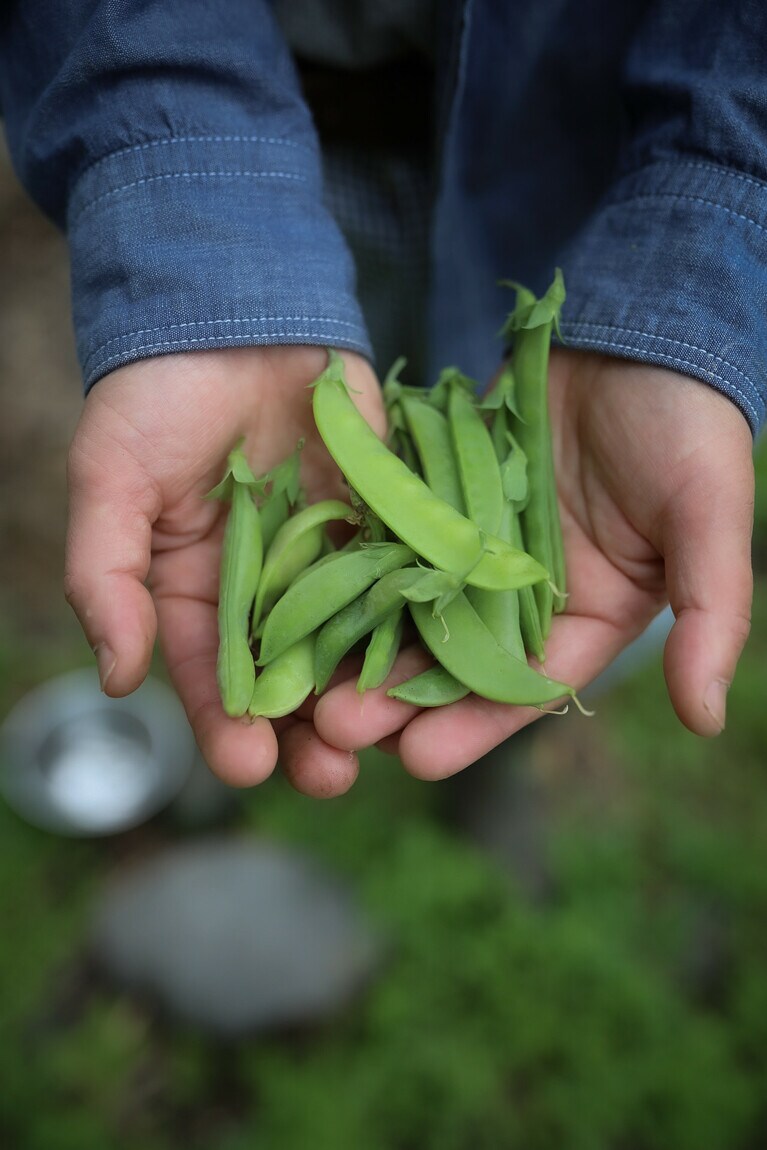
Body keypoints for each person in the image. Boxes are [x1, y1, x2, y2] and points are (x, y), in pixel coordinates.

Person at [0, 1, 760, 797]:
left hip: (586, 179)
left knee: (582, 605)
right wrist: (194, 254)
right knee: (505, 594)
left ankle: (497, 766)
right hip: (282, 166)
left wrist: (702, 250)